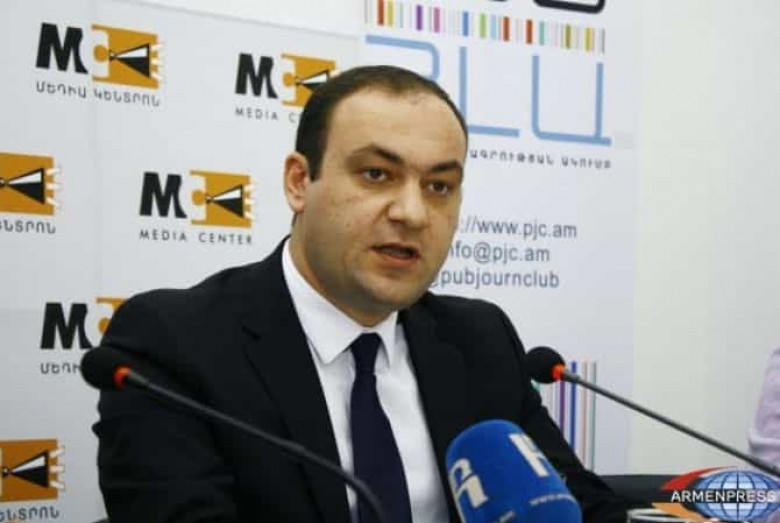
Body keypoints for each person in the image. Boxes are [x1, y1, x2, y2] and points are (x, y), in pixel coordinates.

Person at [94, 65, 629, 523]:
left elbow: (582, 505)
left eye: (439, 186)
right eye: (376, 174)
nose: (412, 213)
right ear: (299, 182)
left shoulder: (479, 339)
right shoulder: (175, 345)